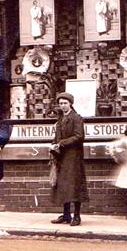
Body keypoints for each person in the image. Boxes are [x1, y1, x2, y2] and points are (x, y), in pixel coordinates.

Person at [49, 92, 89, 226]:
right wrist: (53, 144)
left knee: (75, 185)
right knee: (63, 186)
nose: (63, 106)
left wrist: (61, 143)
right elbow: (57, 137)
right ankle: (66, 215)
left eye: (65, 103)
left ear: (71, 103)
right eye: (61, 103)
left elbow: (79, 136)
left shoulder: (76, 118)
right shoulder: (60, 119)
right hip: (62, 156)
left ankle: (77, 216)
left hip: (73, 157)